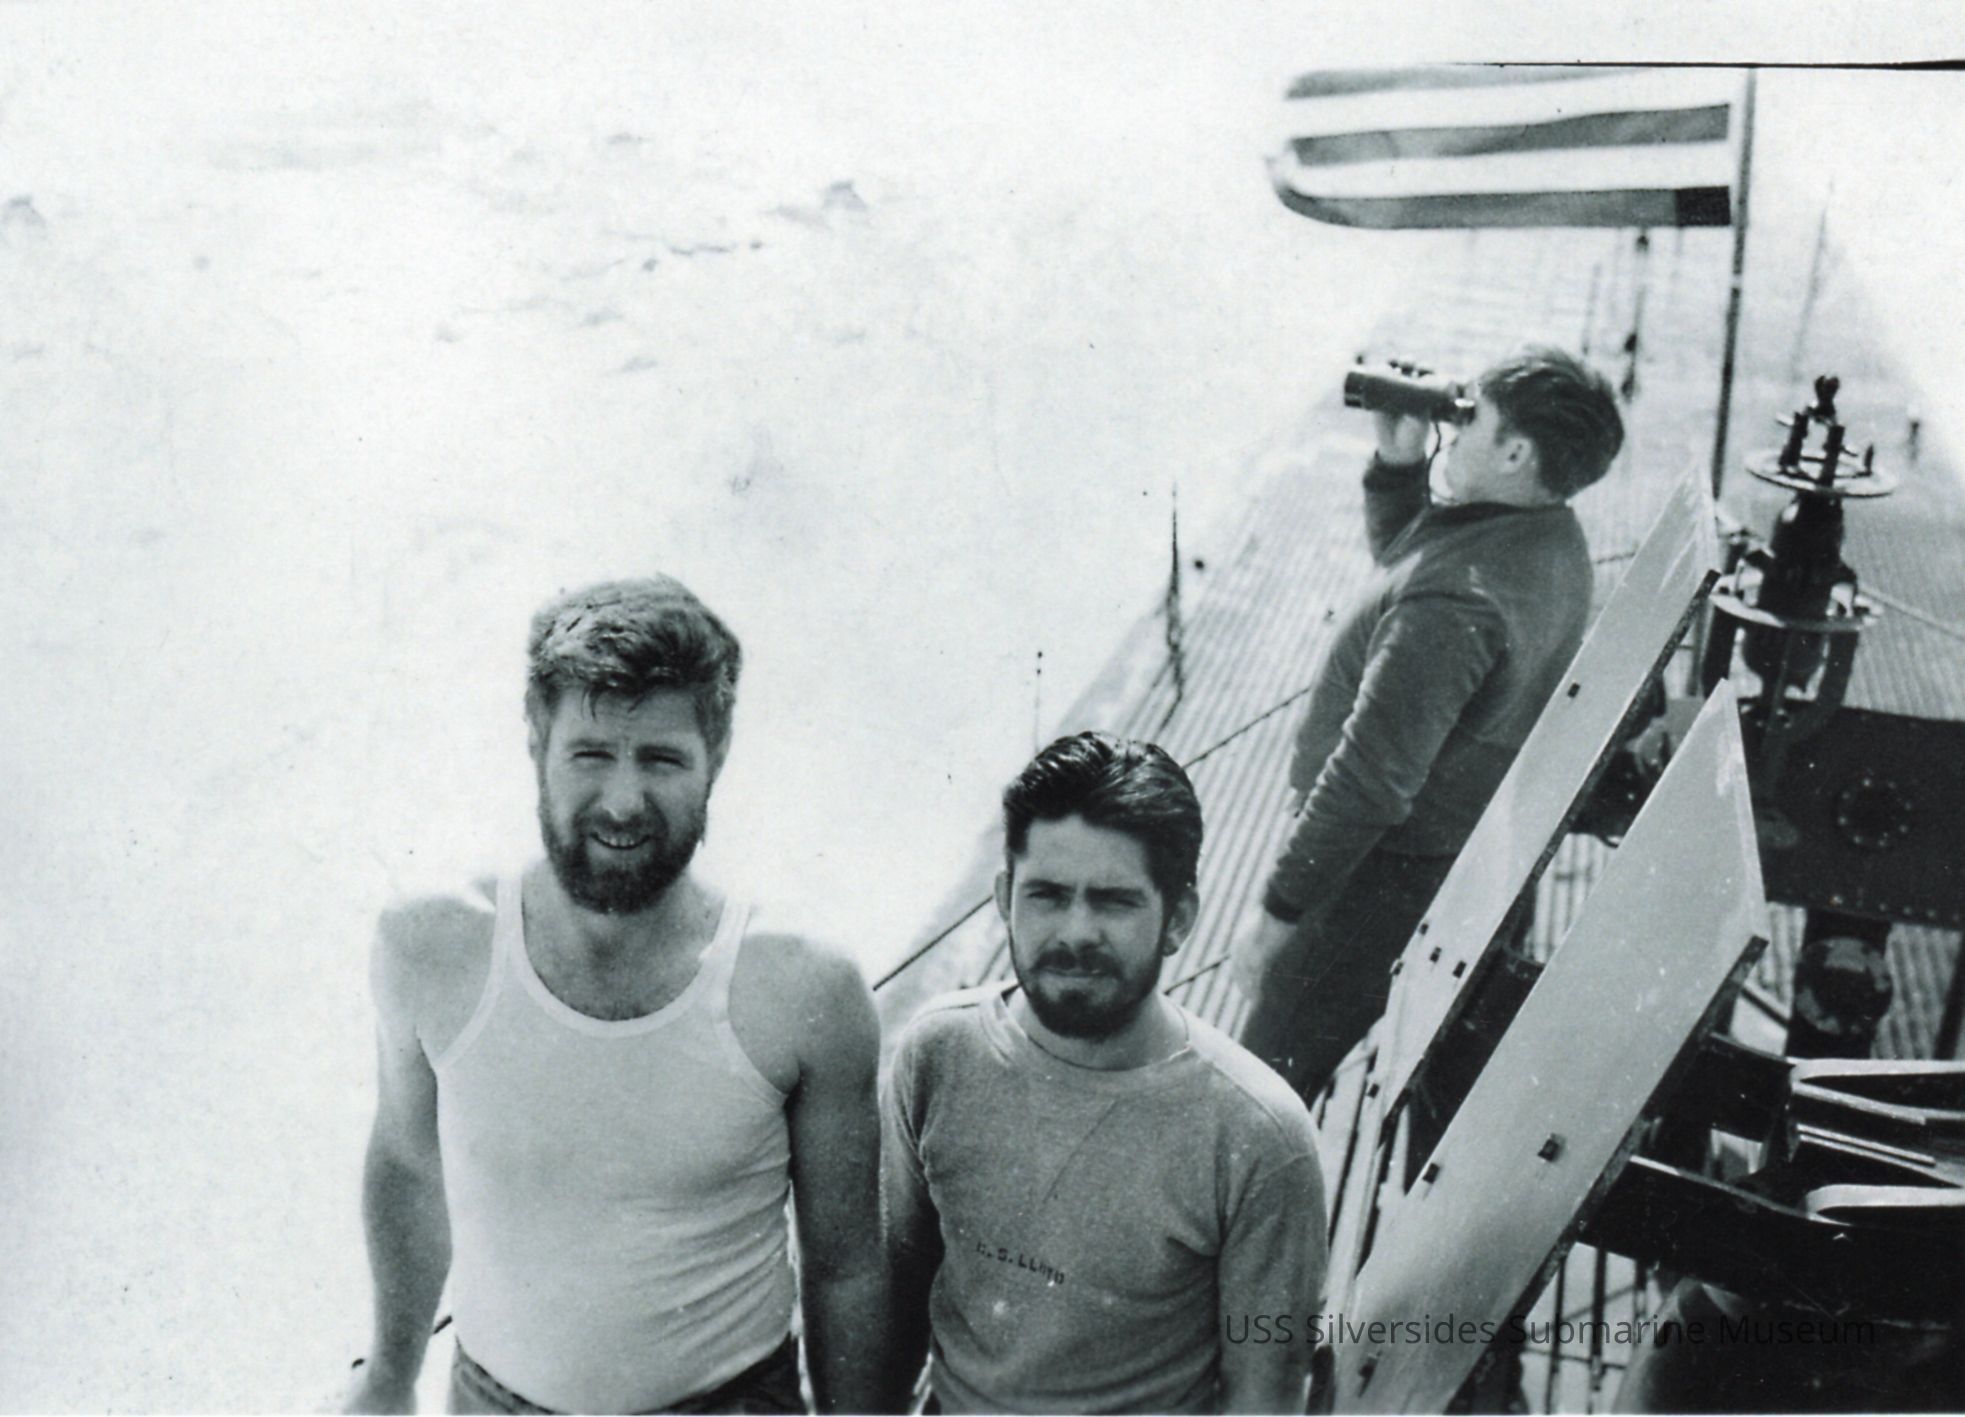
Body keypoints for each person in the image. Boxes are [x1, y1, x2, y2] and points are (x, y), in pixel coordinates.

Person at [343, 577, 888, 1415]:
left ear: (716, 755)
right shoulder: (431, 948)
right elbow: (410, 1167)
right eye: (591, 754)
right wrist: (387, 1375)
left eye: (662, 759)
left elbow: (845, 1263)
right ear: (536, 741)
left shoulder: (803, 986)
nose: (624, 802)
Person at [883, 732, 1327, 1415]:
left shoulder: (1260, 1135)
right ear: (1004, 897)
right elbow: (891, 1299)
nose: (1075, 932)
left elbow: (1263, 1397)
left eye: (1114, 900)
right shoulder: (936, 1054)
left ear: (1178, 918)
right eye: (1047, 894)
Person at [1232, 345, 1624, 1105]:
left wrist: (1277, 915)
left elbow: (1367, 784)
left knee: (1256, 1092)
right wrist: (1398, 464)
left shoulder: (1454, 605)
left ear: (1514, 453)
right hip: (1443, 856)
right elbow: (1410, 563)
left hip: (1373, 880)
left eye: (1468, 416)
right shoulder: (1544, 537)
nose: (1453, 425)